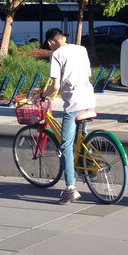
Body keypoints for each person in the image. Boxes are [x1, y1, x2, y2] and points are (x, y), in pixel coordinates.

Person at [41, 28, 95, 205]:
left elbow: (55, 86)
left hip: (74, 103)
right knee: (82, 134)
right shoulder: (81, 49)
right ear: (63, 37)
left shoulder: (56, 54)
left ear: (50, 42)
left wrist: (43, 96)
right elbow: (88, 74)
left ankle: (70, 188)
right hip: (89, 99)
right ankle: (89, 165)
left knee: (65, 146)